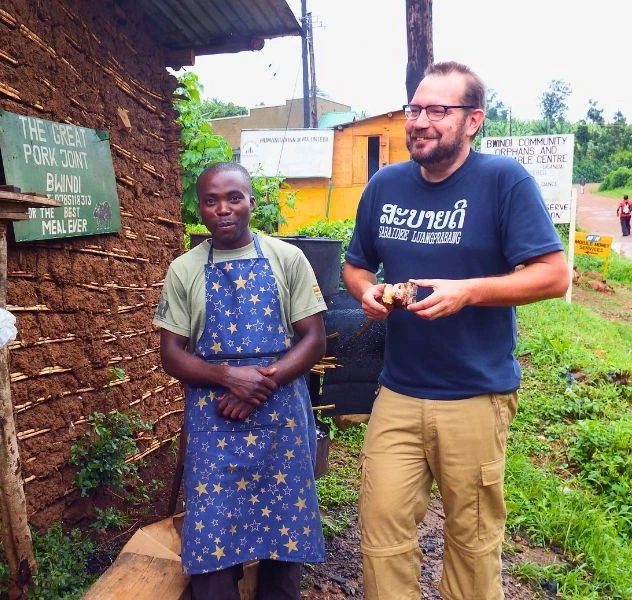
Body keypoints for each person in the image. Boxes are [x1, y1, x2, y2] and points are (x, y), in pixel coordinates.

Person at [343, 61, 571, 600]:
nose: (420, 121)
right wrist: (365, 293)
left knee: (471, 540)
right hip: (398, 390)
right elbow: (356, 265)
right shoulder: (386, 185)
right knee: (381, 532)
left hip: (475, 393)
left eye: (438, 111)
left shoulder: (502, 181)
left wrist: (468, 291)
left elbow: (553, 274)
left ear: (473, 121)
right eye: (414, 109)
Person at [154, 162, 327, 600]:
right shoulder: (185, 269)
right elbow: (171, 353)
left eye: (234, 198)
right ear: (200, 209)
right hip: (215, 421)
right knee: (212, 534)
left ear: (251, 202)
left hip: (281, 421)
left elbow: (313, 339)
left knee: (282, 534)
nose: (223, 209)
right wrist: (229, 377)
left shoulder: (287, 259)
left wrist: (258, 386)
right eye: (210, 201)